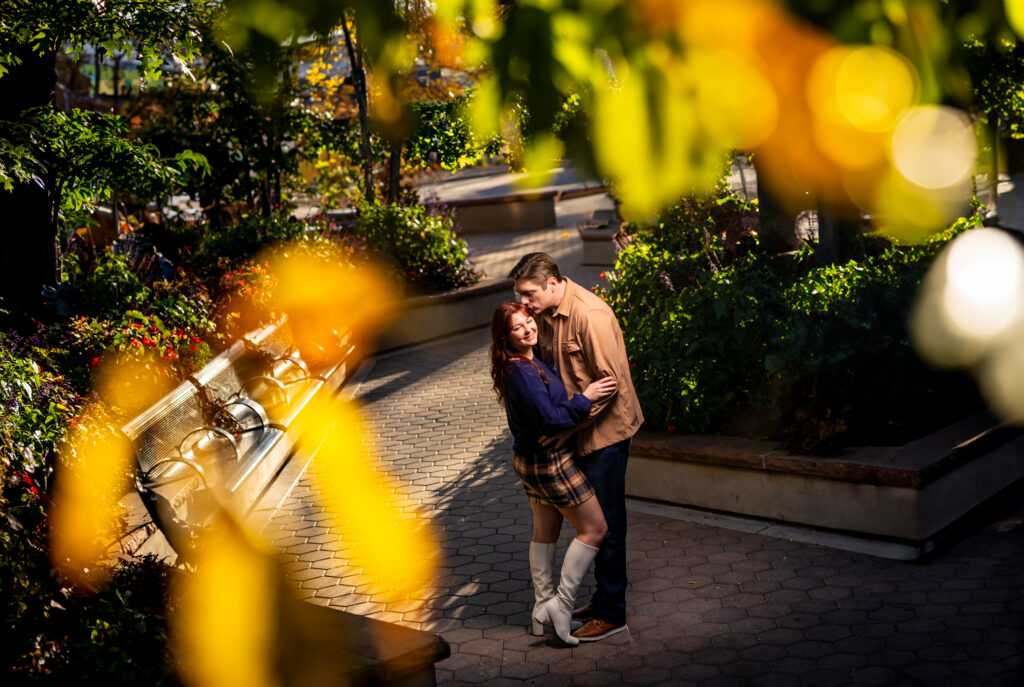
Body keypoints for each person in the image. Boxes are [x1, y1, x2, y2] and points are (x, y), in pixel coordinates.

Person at [508, 252, 643, 643]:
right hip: (579, 431)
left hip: (604, 434)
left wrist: (567, 431)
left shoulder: (589, 316)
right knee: (595, 522)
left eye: (529, 293)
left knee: (608, 527)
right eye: (520, 294)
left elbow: (610, 384)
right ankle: (602, 602)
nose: (525, 302)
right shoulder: (547, 314)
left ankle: (612, 615)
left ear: (553, 283)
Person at [489, 301, 618, 646]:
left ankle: (541, 607)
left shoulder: (526, 363)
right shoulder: (523, 373)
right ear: (506, 337)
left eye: (528, 319)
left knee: (545, 531)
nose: (529, 328)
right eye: (518, 327)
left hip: (530, 460)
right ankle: (561, 605)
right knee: (595, 529)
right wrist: (586, 397)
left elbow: (548, 412)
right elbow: (551, 420)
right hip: (549, 461)